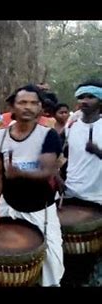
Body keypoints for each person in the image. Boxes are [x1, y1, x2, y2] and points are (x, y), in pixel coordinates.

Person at [0, 84, 64, 287]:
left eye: (33, 103)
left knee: (51, 265)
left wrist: (20, 173)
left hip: (40, 209)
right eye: (22, 102)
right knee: (7, 262)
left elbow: (47, 171)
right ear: (13, 107)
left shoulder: (48, 135)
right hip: (9, 207)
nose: (28, 107)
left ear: (41, 108)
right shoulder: (1, 136)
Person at [62, 81, 102, 286]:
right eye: (81, 97)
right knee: (70, 258)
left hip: (97, 199)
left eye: (90, 97)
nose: (84, 101)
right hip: (71, 195)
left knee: (92, 257)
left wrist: (98, 152)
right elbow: (65, 157)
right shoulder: (72, 127)